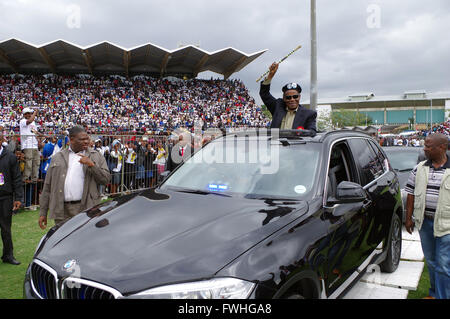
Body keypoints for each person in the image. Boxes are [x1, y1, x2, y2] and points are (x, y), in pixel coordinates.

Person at [404, 133, 450, 299]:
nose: (424, 149)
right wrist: (408, 218)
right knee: (431, 262)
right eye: (425, 145)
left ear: (442, 147)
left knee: (444, 265)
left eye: (429, 146)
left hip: (446, 226)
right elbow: (410, 193)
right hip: (425, 224)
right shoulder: (420, 168)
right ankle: (434, 293)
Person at [38, 126, 111, 229]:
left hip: (86, 208)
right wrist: (43, 212)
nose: (86, 141)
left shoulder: (96, 156)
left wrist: (92, 165)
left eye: (87, 138)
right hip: (62, 210)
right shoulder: (57, 157)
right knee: (64, 242)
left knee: (84, 241)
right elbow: (47, 186)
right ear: (71, 139)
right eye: (82, 139)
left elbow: (106, 179)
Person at [259, 62, 317, 131]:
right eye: (288, 97)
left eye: (295, 96)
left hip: (295, 142)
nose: (292, 99)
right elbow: (264, 94)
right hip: (276, 141)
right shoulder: (277, 107)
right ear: (284, 98)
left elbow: (312, 132)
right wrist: (270, 76)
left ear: (299, 97)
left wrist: (301, 133)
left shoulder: (309, 114)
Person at [0, 132, 24, 265]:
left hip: (5, 197)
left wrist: (18, 197)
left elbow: (17, 178)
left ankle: (8, 255)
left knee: (5, 229)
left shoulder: (10, 157)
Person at [19, 108, 40, 183]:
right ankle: (26, 178)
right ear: (24, 114)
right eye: (27, 113)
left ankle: (35, 177)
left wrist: (41, 136)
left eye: (30, 113)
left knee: (36, 162)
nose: (29, 115)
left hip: (34, 144)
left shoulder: (33, 123)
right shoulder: (22, 121)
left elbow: (34, 131)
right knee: (29, 162)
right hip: (27, 145)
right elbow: (29, 121)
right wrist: (35, 112)